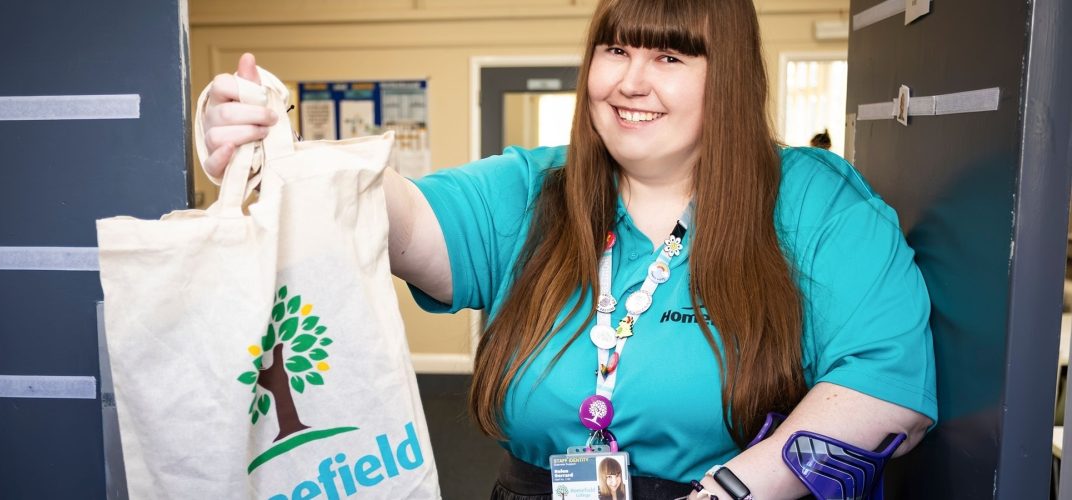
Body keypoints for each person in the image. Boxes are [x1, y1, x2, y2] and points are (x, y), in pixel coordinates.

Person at [199, 0, 937, 497]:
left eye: (670, 58)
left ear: (731, 78)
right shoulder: (533, 189)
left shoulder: (813, 201)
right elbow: (396, 213)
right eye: (615, 50)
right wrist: (276, 144)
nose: (631, 82)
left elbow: (888, 393)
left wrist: (732, 492)